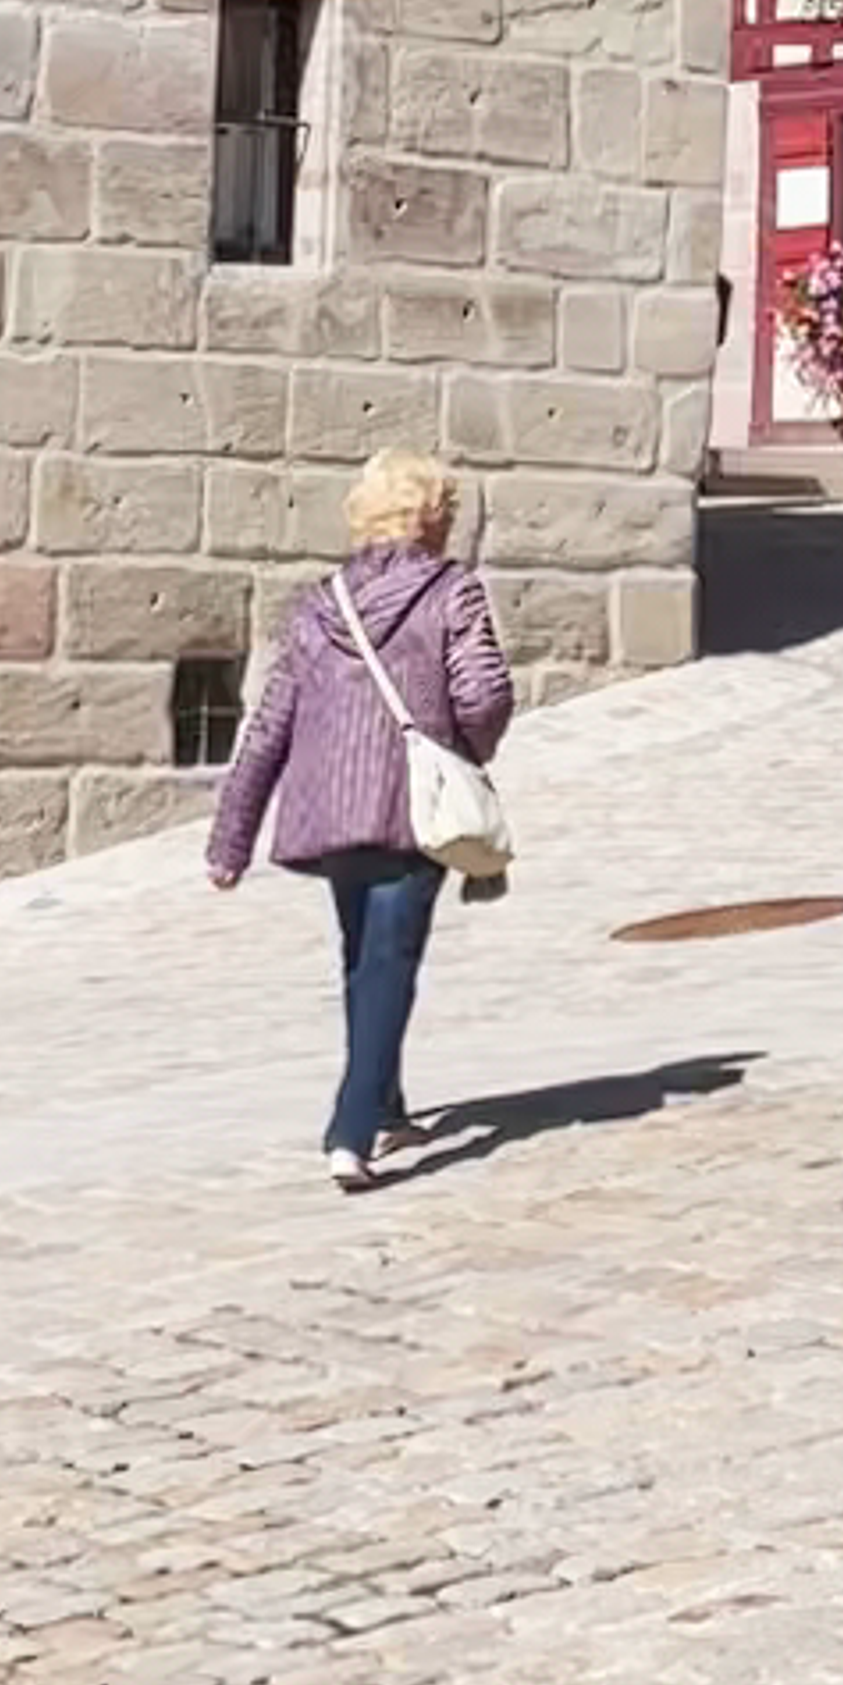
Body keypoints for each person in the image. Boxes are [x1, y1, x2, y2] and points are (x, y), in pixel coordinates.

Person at [207, 449, 514, 1193]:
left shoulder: (320, 603)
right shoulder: (452, 591)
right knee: (388, 962)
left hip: (331, 809)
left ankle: (388, 1102)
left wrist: (230, 840)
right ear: (434, 517)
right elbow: (484, 694)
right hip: (409, 807)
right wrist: (462, 750)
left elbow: (270, 723)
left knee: (362, 957)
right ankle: (350, 1130)